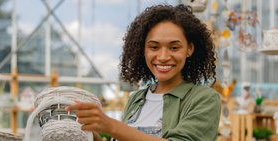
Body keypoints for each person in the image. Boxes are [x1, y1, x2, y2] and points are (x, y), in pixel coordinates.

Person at [65, 4, 221, 141]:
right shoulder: (136, 99)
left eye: (174, 47)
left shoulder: (204, 99)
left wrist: (110, 126)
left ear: (189, 49)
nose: (163, 57)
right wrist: (92, 135)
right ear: (143, 50)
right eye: (154, 47)